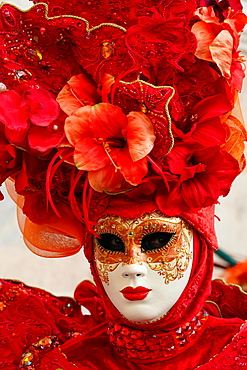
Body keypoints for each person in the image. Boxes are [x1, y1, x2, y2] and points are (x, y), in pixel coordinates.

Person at [0, 0, 247, 368]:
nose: (133, 266)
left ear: (201, 246)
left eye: (158, 240)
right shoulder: (65, 360)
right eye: (110, 243)